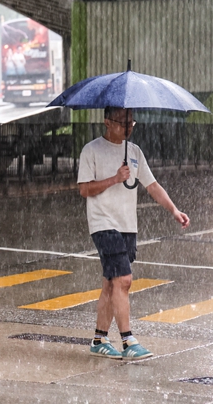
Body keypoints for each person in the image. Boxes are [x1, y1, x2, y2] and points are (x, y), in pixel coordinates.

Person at [78, 106, 189, 360]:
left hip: (128, 225)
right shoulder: (91, 150)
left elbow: (152, 185)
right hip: (103, 224)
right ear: (107, 122)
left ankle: (99, 339)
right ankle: (128, 340)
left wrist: (174, 210)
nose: (128, 127)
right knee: (125, 280)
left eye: (131, 122)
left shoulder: (134, 151)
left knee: (111, 282)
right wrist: (114, 179)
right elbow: (84, 189)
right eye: (122, 122)